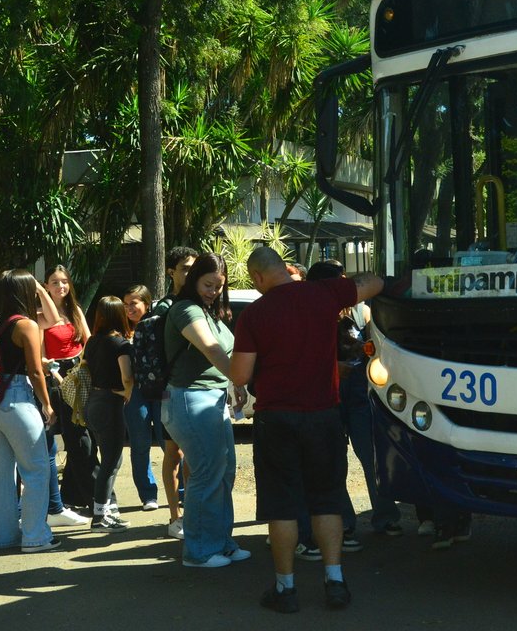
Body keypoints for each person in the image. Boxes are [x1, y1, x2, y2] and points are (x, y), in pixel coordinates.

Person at [230, 246, 383, 613]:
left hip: (276, 418)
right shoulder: (324, 293)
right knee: (327, 498)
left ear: (257, 277)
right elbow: (374, 282)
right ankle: (335, 581)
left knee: (282, 506)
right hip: (324, 414)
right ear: (285, 268)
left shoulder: (254, 313)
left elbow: (240, 375)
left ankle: (286, 588)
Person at [162, 252, 249, 568]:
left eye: (218, 286)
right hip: (190, 399)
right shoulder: (185, 309)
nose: (213, 290)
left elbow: (221, 354)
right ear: (193, 279)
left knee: (223, 472)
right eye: (207, 284)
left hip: (212, 399)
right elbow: (212, 349)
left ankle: (221, 543)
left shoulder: (209, 311)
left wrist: (233, 384)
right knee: (206, 474)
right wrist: (238, 378)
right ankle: (198, 552)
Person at [308, 260, 401, 541]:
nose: (347, 288)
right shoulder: (310, 313)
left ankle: (386, 517)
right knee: (333, 461)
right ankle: (345, 522)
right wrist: (332, 365)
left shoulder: (361, 310)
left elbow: (376, 345)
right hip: (326, 391)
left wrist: (365, 348)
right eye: (339, 282)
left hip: (360, 388)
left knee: (371, 454)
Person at [0, 269, 58, 553]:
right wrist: (47, 404)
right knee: (36, 469)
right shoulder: (26, 325)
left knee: (1, 472)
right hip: (17, 399)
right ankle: (35, 535)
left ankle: (2, 536)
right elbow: (36, 372)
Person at [41, 265, 97, 517]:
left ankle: (73, 495)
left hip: (80, 372)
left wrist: (86, 368)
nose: (60, 286)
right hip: (56, 377)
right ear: (46, 286)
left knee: (86, 436)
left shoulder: (74, 310)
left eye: (64, 281)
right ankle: (92, 496)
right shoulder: (40, 315)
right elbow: (41, 356)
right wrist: (58, 377)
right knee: (75, 438)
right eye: (55, 282)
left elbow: (89, 340)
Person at [83, 296, 134, 531]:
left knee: (112, 459)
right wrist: (127, 392)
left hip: (93, 401)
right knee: (111, 460)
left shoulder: (92, 341)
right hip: (110, 404)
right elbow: (127, 376)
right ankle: (100, 516)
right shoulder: (121, 344)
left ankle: (108, 510)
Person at [159, 245, 198, 538]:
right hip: (172, 389)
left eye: (193, 268)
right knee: (174, 452)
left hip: (199, 391)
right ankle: (175, 517)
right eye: (185, 268)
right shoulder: (165, 307)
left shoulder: (202, 301)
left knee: (192, 456)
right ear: (171, 272)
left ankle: (192, 511)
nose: (190, 273)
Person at [122, 284, 163, 511]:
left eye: (133, 304)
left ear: (146, 303)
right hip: (134, 392)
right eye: (125, 304)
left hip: (159, 389)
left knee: (170, 444)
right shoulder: (120, 330)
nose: (129, 309)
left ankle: (183, 491)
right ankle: (148, 495)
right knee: (139, 444)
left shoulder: (157, 325)